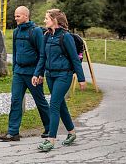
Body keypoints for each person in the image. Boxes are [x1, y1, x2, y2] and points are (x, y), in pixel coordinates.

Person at [32, 9, 86, 152]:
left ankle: (51, 140)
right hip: (50, 76)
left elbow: (75, 59)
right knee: (61, 105)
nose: (44, 21)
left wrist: (81, 79)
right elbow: (42, 57)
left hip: (64, 75)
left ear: (55, 20)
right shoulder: (46, 36)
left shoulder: (66, 37)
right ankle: (72, 132)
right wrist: (37, 74)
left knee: (54, 104)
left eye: (46, 18)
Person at [0, 6, 50, 142]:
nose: (15, 18)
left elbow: (42, 54)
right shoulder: (16, 32)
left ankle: (50, 128)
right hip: (19, 74)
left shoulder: (36, 31)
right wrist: (15, 69)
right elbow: (15, 53)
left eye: (18, 16)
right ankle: (13, 132)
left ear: (26, 16)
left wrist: (39, 73)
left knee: (40, 101)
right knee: (15, 101)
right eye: (15, 16)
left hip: (33, 73)